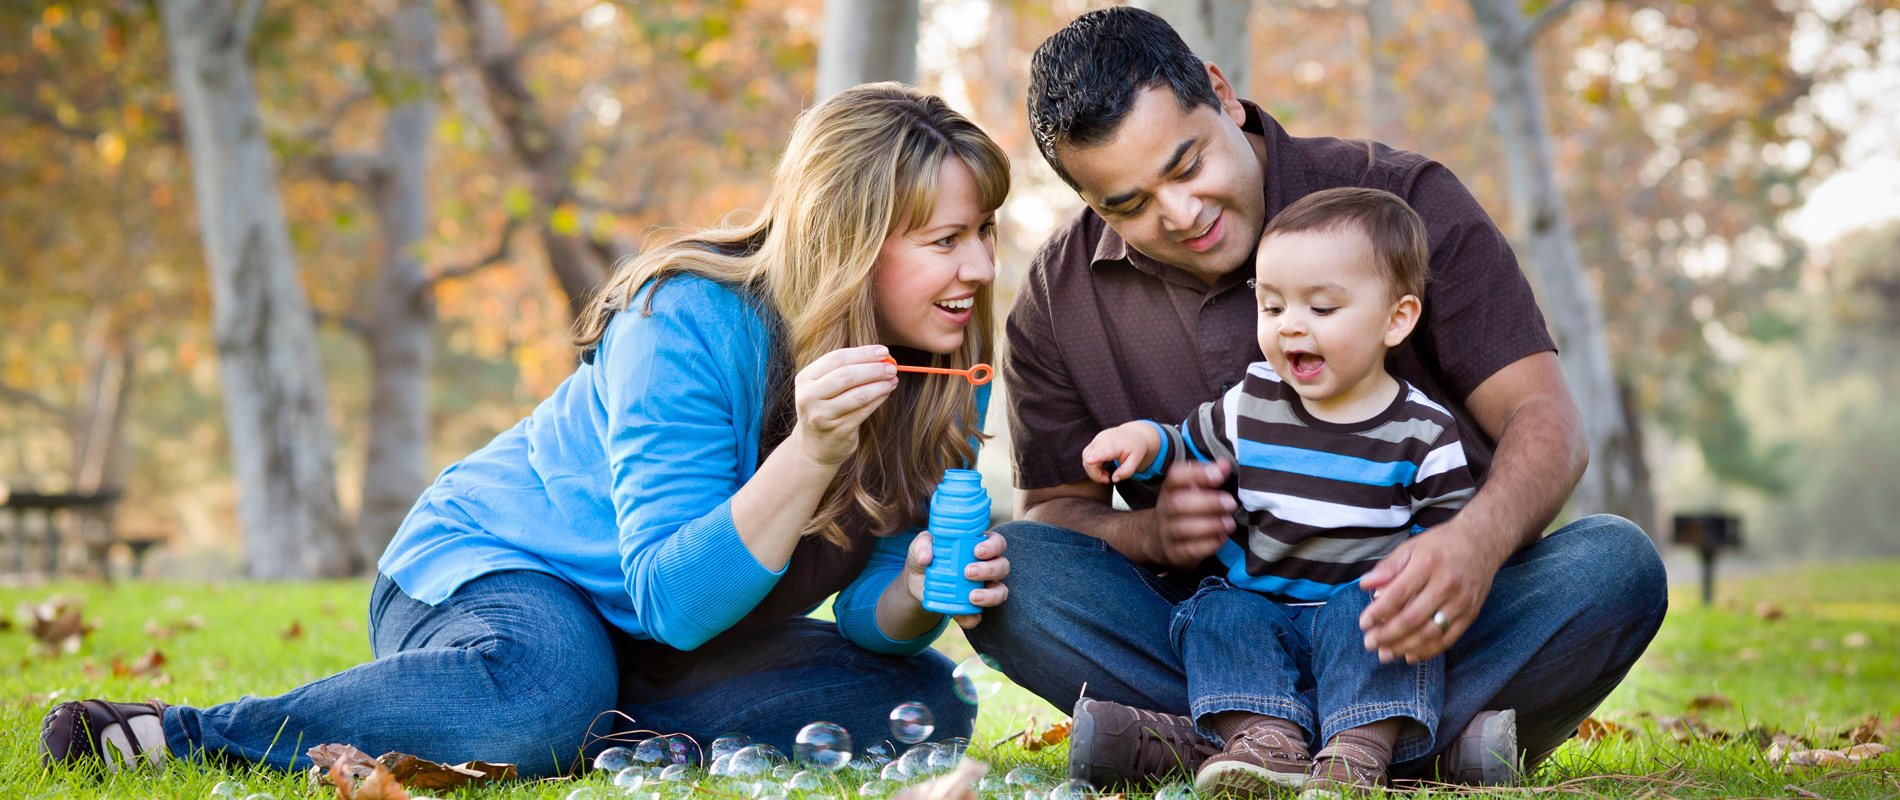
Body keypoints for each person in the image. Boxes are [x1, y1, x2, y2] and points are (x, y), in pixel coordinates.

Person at [39, 83, 1014, 778]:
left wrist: (919, 591)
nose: (975, 266)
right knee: (548, 689)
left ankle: (604, 724)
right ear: (845, 238)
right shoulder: (688, 318)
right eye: (942, 240)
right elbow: (671, 597)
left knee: (924, 695)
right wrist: (811, 451)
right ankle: (195, 731)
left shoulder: (941, 372)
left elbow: (867, 612)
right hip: (499, 570)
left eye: (985, 231)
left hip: (655, 642)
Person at [967, 6, 1667, 789]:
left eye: (1187, 164)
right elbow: (1055, 512)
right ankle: (1405, 750)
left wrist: (1472, 546)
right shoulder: (1058, 297)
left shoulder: (1403, 200)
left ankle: (1217, 747)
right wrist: (1154, 536)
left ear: (1223, 95)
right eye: (1127, 206)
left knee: (1615, 566)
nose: (1180, 214)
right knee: (1009, 574)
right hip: (1224, 627)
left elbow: (1547, 420)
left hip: (1414, 619)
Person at [1081, 188, 1473, 797]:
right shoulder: (1253, 402)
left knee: (1382, 614)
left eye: (1320, 308)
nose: (1290, 325)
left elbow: (1451, 541)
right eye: (1270, 306)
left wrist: (1424, 591)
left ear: (1396, 319)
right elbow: (1188, 446)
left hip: (1360, 617)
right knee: (1217, 610)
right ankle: (1267, 741)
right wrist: (1144, 443)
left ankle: (1357, 753)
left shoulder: (1424, 432)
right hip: (1263, 613)